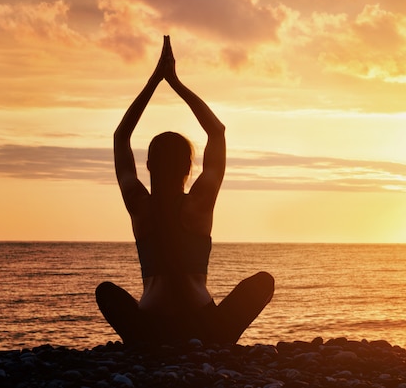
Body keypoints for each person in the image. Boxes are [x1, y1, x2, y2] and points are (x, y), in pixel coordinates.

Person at [96, 35, 274, 346]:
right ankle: (216, 343)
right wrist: (175, 82)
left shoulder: (139, 204)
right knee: (263, 284)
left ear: (148, 165)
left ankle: (144, 345)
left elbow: (121, 136)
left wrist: (154, 81)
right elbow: (217, 132)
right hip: (204, 328)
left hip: (149, 328)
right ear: (188, 167)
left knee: (105, 292)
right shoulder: (199, 205)